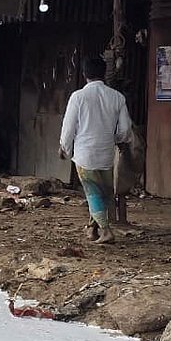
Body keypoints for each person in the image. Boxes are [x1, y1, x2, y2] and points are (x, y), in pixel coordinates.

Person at [59, 55, 133, 245]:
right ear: (104, 73)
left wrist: (64, 148)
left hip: (85, 154)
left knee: (93, 193)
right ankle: (92, 228)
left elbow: (68, 128)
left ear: (84, 74)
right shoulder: (117, 97)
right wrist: (115, 139)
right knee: (104, 192)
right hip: (106, 153)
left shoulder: (78, 97)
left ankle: (106, 231)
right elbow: (125, 129)